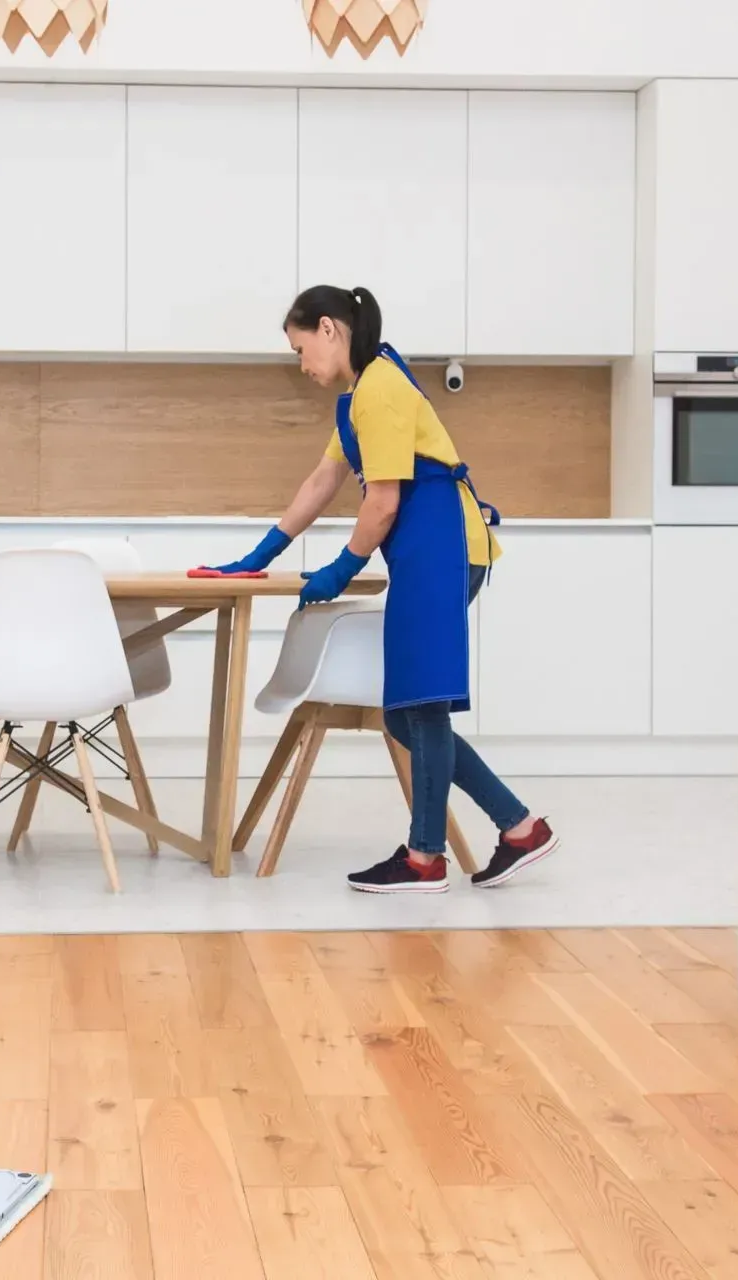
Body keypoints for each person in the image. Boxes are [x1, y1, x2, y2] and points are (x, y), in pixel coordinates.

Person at [205, 285, 559, 892]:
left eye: (299, 349)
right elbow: (323, 481)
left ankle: (427, 858)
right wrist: (259, 555)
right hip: (429, 553)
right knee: (410, 714)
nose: (301, 365)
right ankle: (519, 827)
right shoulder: (359, 396)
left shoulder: (381, 390)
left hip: (445, 551)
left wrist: (340, 570)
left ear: (328, 329)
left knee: (417, 707)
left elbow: (384, 502)